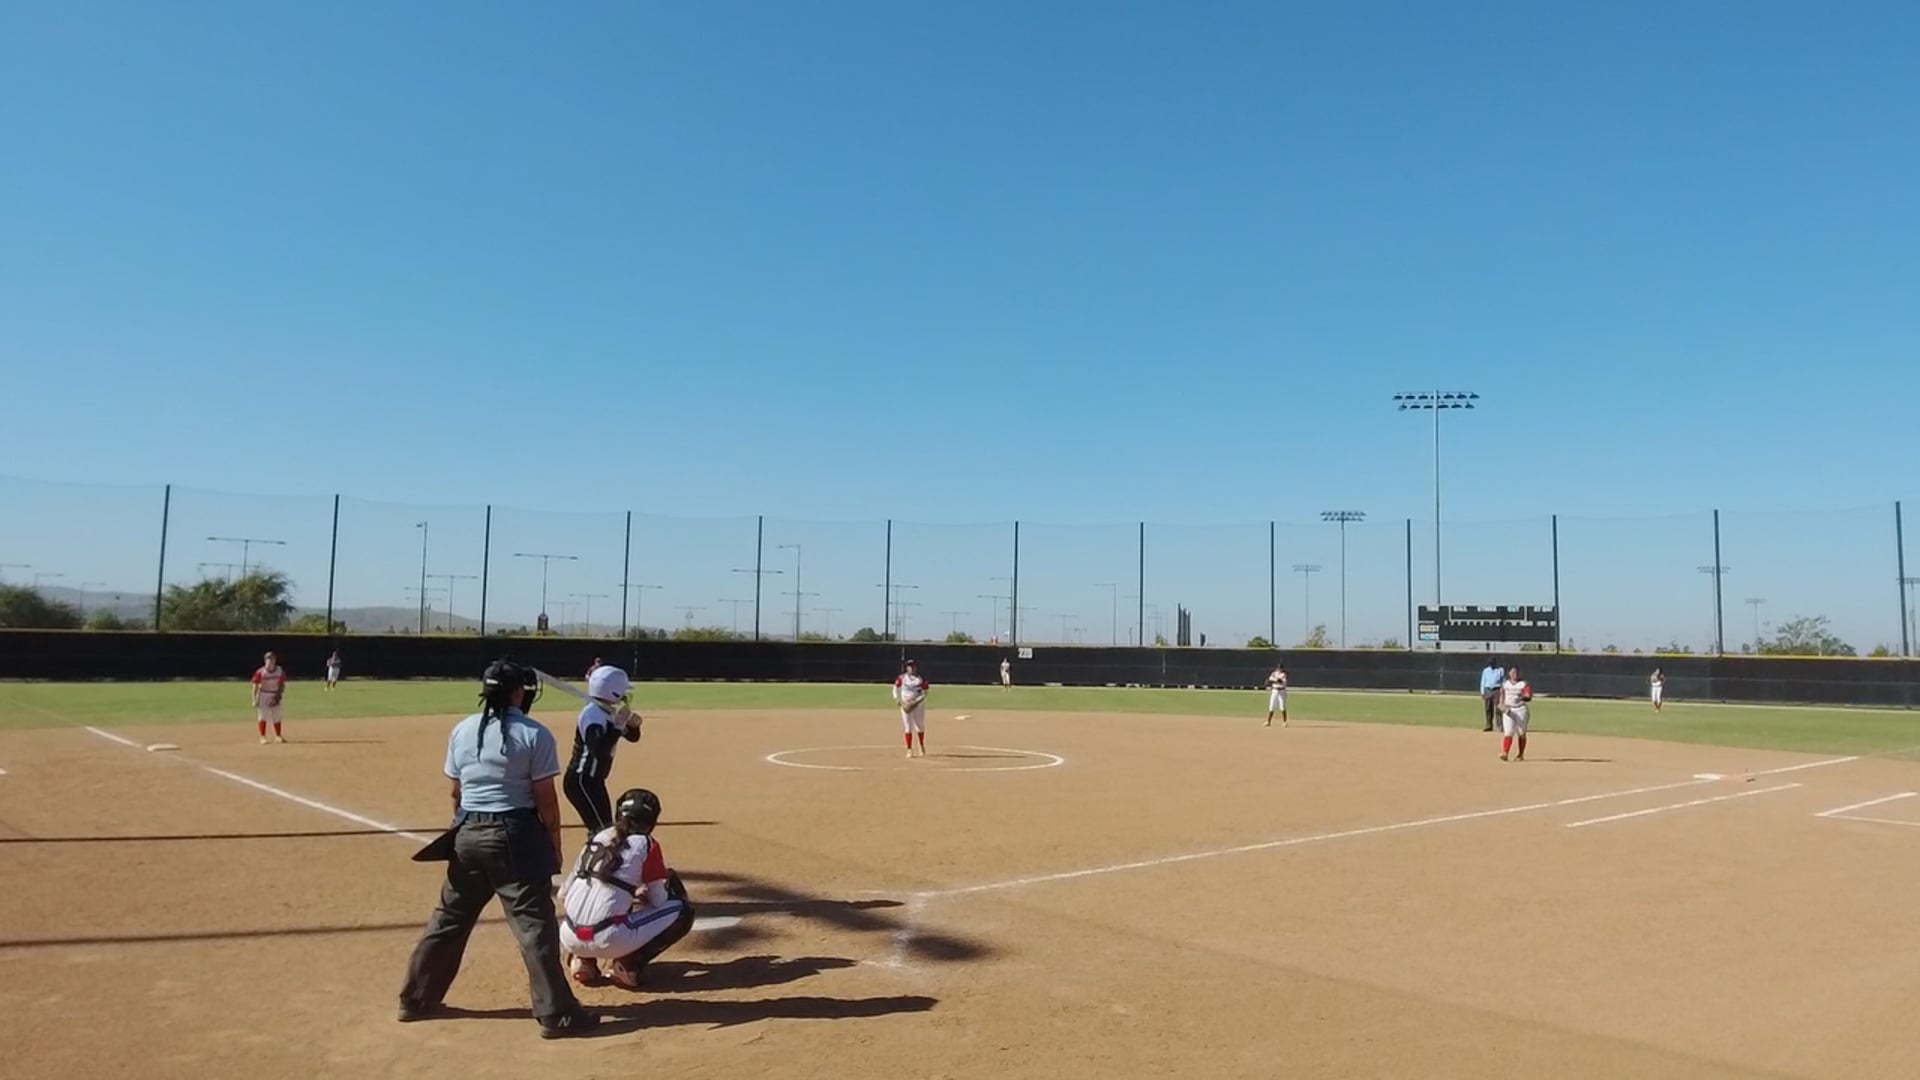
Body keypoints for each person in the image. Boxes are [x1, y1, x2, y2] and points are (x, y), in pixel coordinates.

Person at [397, 658, 599, 1039]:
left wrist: (465, 830)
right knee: (534, 927)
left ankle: (415, 999)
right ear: (518, 692)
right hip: (515, 835)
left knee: (448, 919)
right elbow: (546, 802)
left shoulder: (462, 730)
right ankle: (556, 1013)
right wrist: (554, 847)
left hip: (467, 833)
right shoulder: (534, 734)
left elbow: (456, 793)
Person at [559, 787, 697, 991]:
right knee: (681, 909)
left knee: (608, 904)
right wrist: (639, 893)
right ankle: (628, 965)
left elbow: (563, 894)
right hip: (609, 939)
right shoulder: (645, 843)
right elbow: (659, 900)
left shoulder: (597, 837)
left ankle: (582, 960)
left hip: (569, 935)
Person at [564, 664, 643, 833]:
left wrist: (633, 725)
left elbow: (633, 737)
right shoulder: (592, 714)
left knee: (605, 828)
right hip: (582, 780)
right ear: (613, 691)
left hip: (595, 780)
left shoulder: (609, 712)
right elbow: (598, 749)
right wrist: (617, 726)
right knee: (603, 831)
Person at [894, 659, 929, 758]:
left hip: (918, 705)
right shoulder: (902, 678)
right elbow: (895, 688)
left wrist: (916, 701)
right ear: (907, 668)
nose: (911, 668)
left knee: (920, 726)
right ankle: (909, 749)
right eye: (909, 666)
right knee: (908, 727)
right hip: (906, 704)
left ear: (916, 667)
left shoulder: (921, 679)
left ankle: (921, 745)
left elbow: (926, 691)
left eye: (913, 666)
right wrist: (897, 699)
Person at [251, 651, 289, 744]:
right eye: (268, 659)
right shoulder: (261, 672)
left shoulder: (279, 670)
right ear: (265, 661)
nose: (270, 661)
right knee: (262, 716)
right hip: (263, 694)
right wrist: (254, 699)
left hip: (274, 694)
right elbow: (255, 686)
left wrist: (279, 695)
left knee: (277, 716)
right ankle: (262, 737)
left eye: (272, 659)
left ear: (275, 660)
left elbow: (282, 684)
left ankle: (278, 736)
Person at [1499, 666, 1532, 762]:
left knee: (1521, 733)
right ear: (1509, 673)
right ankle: (1505, 753)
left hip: (1521, 709)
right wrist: (1501, 704)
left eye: (1516, 672)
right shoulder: (1505, 684)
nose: (1515, 674)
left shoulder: (1523, 684)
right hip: (1509, 710)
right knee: (1508, 732)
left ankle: (1520, 754)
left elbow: (1528, 696)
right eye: (1512, 672)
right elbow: (1502, 694)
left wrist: (1524, 696)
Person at [1478, 657, 1504, 732]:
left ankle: (1500, 726)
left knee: (1498, 708)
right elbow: (1483, 681)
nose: (1491, 664)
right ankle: (1489, 725)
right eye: (1490, 663)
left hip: (1497, 690)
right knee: (1488, 708)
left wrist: (1503, 691)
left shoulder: (1500, 670)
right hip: (1488, 690)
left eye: (1493, 663)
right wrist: (1482, 692)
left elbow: (1503, 681)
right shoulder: (1486, 671)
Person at [1264, 662, 1289, 728]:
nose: (1279, 669)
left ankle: (1284, 722)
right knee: (1271, 706)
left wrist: (1273, 680)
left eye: (1280, 668)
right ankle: (1268, 721)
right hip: (1274, 691)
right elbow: (1270, 679)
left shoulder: (1284, 674)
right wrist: (1274, 680)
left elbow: (1281, 681)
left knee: (1282, 706)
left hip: (1282, 691)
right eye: (1278, 668)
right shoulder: (1274, 673)